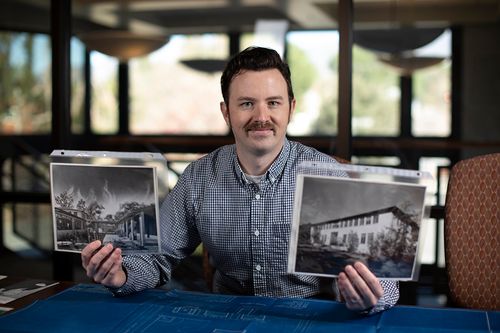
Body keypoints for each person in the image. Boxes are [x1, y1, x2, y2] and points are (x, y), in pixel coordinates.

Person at [81, 46, 399, 314]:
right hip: (226, 315)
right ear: (226, 112)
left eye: (273, 103)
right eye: (247, 103)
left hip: (311, 316)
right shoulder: (198, 178)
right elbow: (158, 257)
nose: (261, 116)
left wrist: (371, 296)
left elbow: (383, 278)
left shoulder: (329, 175)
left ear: (291, 108)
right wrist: (120, 273)